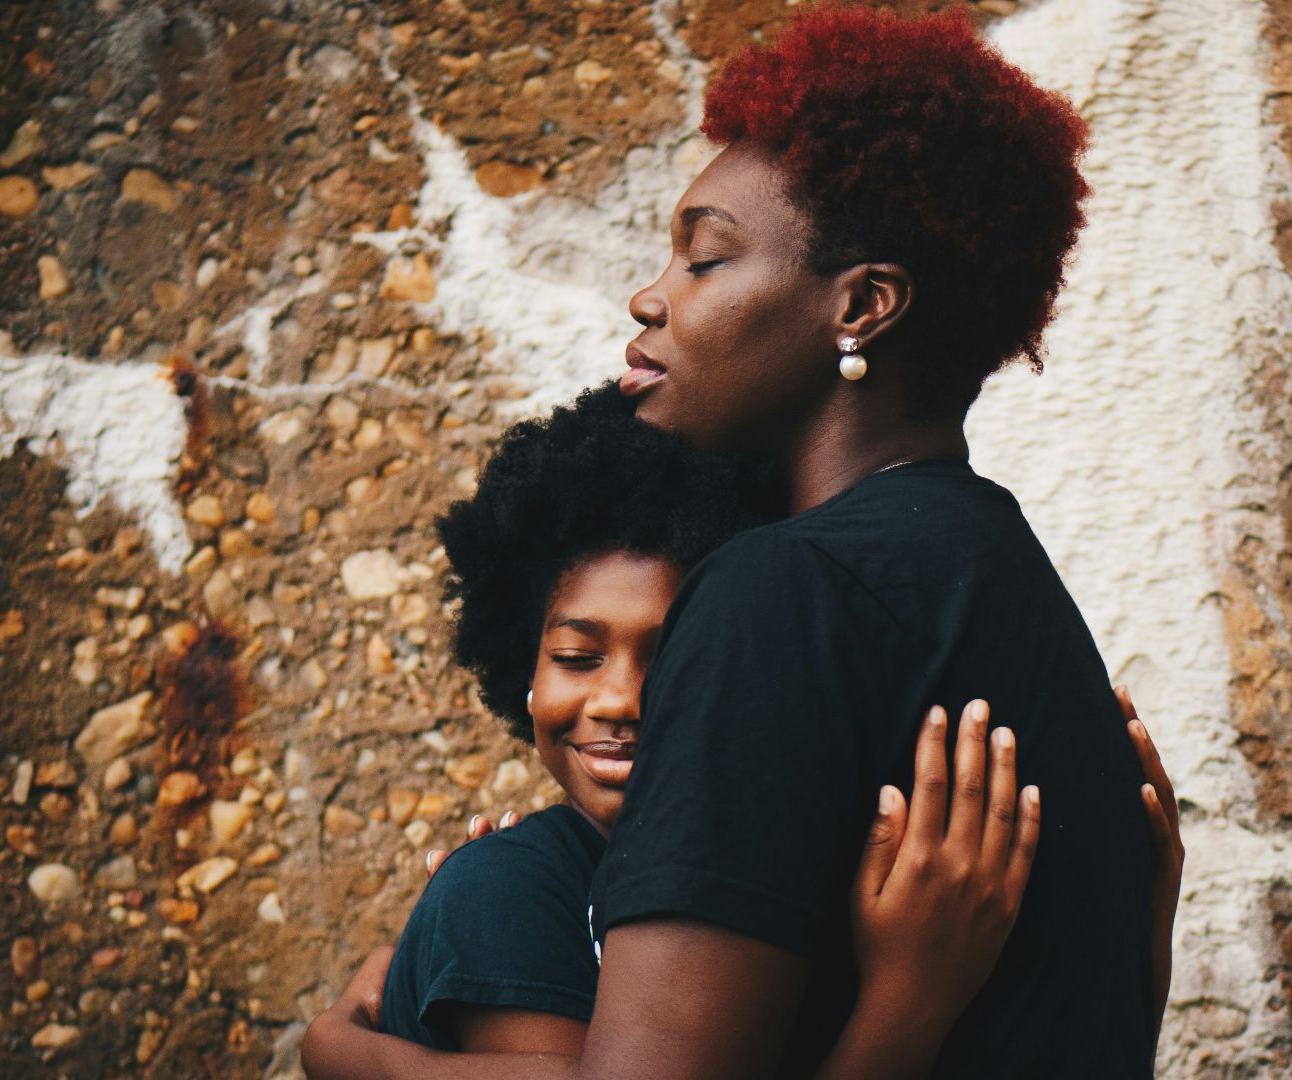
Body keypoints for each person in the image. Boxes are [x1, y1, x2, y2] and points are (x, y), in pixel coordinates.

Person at [302, 5, 1178, 1076]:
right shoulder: (1006, 582)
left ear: (861, 306)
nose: (651, 297)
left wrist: (357, 1058)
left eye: (706, 259)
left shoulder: (779, 593)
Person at [372, 384, 1058, 1077]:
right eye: (577, 659)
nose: (618, 699)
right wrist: (909, 1002)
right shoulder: (509, 887)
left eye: (675, 657)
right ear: (523, 670)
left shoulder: (780, 880)